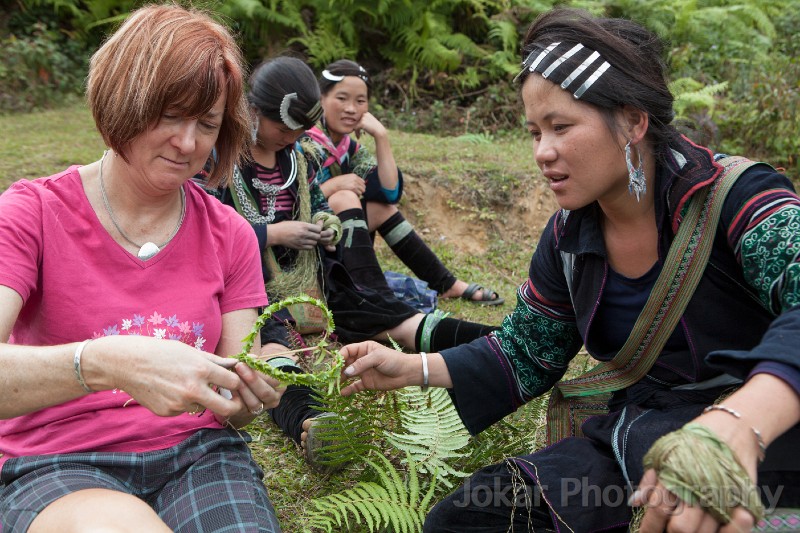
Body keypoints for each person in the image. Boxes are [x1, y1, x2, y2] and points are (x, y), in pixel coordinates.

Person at [336, 8, 800, 532]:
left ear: (631, 121)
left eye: (561, 127)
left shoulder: (737, 198)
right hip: (640, 440)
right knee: (469, 518)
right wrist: (413, 369)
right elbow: (525, 351)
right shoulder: (567, 240)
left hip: (774, 435)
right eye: (534, 131)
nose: (542, 151)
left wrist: (738, 425)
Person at [0, 5, 286, 531]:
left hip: (199, 455)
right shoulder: (31, 213)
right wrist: (102, 363)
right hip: (56, 461)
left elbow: (231, 402)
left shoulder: (230, 234)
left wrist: (253, 392)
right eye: (171, 115)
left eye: (207, 124)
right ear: (124, 100)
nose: (187, 143)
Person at [196, 56, 498, 459]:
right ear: (253, 112)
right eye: (283, 129)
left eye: (300, 131)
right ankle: (311, 422)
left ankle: (499, 343)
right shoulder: (220, 161)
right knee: (270, 350)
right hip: (250, 282)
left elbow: (323, 201)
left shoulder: (298, 158)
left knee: (381, 314)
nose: (292, 137)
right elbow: (205, 233)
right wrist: (274, 233)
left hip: (312, 275)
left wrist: (325, 225)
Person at [303, 59, 504, 306]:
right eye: (342, 98)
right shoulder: (304, 144)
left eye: (360, 101)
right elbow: (291, 206)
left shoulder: (349, 149)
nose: (351, 109)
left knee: (380, 208)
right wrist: (334, 186)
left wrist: (381, 136)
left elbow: (390, 193)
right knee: (344, 197)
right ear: (321, 99)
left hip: (335, 241)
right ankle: (372, 295)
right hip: (306, 244)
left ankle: (446, 284)